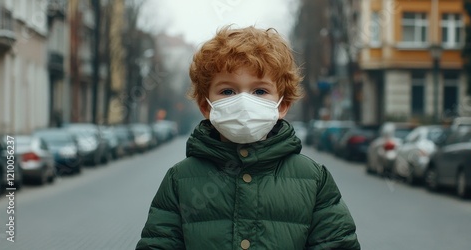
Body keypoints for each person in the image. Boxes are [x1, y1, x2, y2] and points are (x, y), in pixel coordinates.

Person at [136, 25, 361, 250]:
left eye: (260, 91)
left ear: (282, 105)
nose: (244, 102)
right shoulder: (179, 180)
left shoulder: (314, 180)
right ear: (206, 106)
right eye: (228, 91)